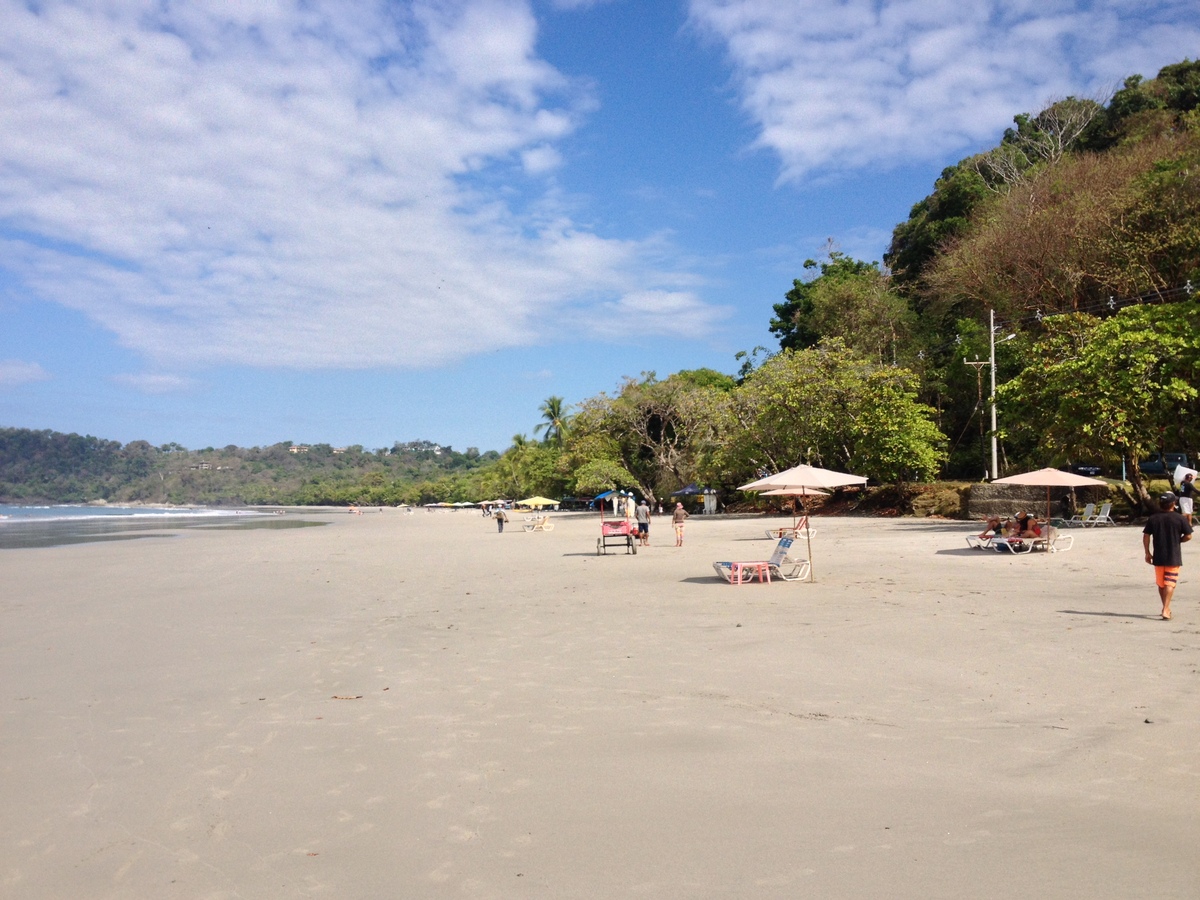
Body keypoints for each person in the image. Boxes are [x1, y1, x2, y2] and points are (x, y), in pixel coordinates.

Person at [1143, 492, 1192, 620]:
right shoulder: (1179, 518)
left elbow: (1146, 535)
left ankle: (1165, 607)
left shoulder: (1153, 518)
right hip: (1173, 556)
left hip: (1158, 556)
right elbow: (1188, 536)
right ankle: (1166, 608)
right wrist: (1178, 540)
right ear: (1173, 504)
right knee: (1170, 582)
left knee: (1161, 584)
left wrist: (1147, 552)